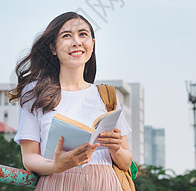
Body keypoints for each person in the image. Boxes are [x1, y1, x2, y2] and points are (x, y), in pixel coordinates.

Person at [8, 11, 132, 190]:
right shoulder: (35, 93)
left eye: (83, 34)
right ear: (53, 48)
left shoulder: (107, 95)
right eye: (67, 36)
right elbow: (29, 158)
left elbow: (127, 161)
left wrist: (116, 149)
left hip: (107, 183)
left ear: (92, 43)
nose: (76, 41)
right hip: (57, 182)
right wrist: (56, 166)